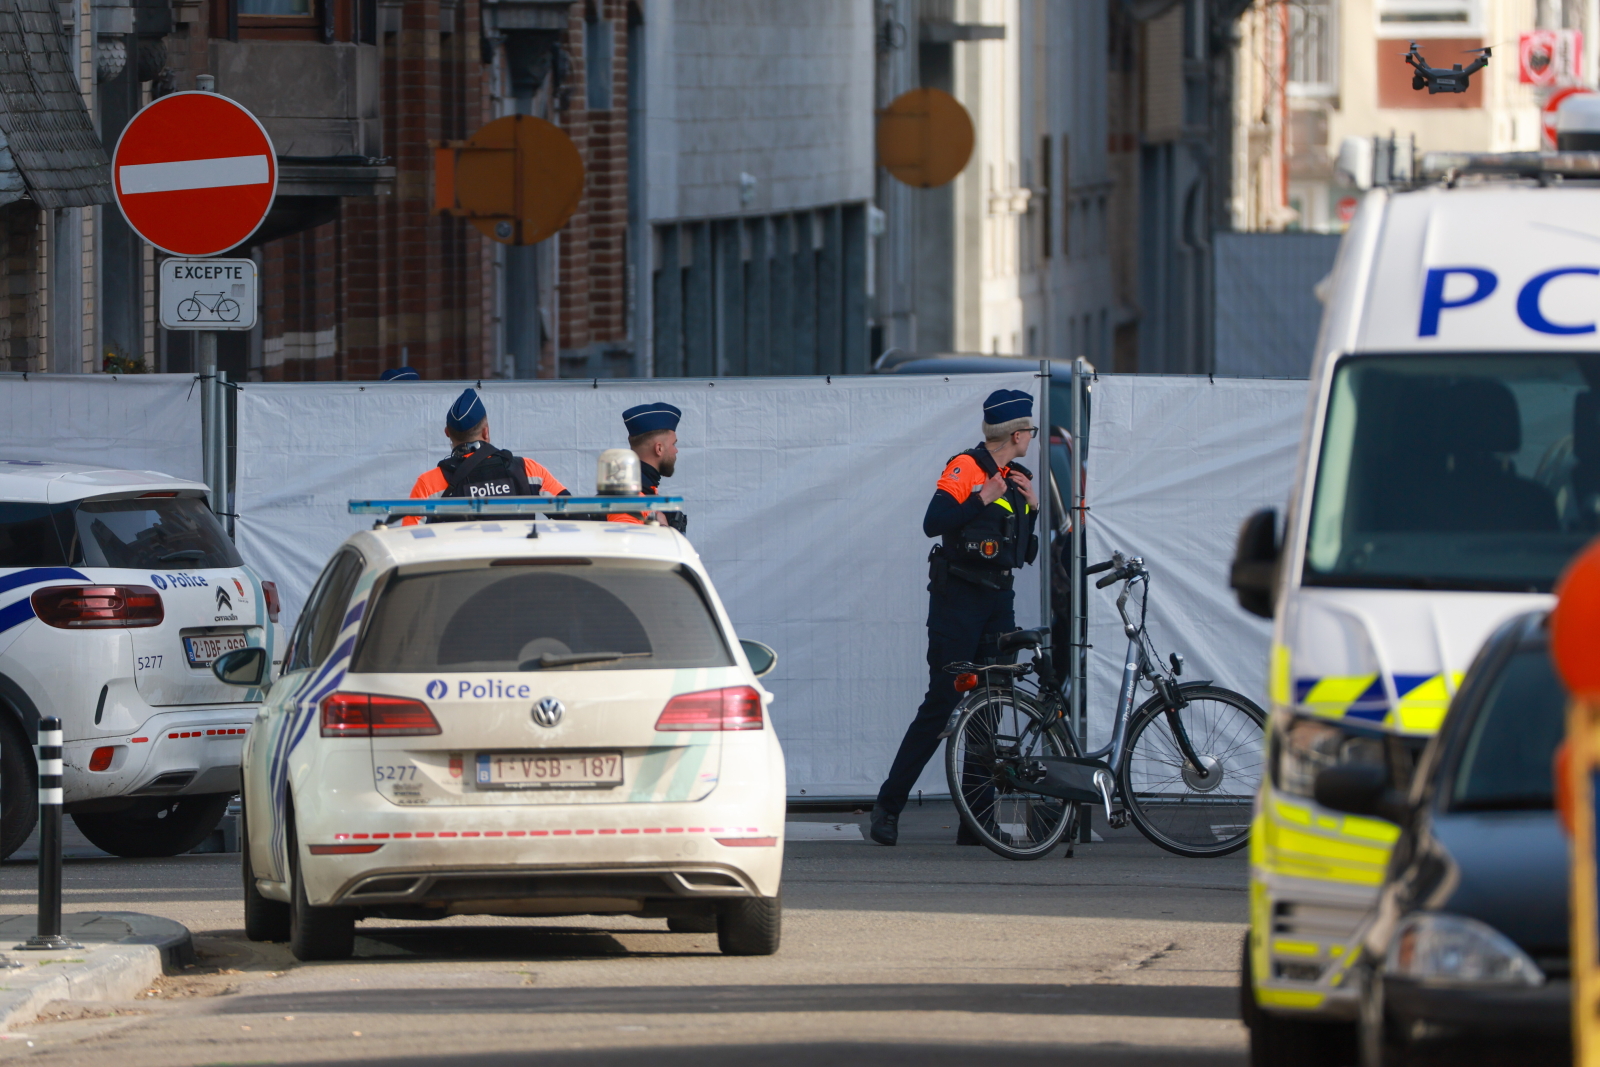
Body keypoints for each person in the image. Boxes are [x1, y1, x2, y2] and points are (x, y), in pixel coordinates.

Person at [870, 388, 1040, 846]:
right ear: (1017, 432)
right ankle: (887, 808)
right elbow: (935, 520)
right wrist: (984, 496)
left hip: (997, 602)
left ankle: (977, 821)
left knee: (990, 708)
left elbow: (1023, 553)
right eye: (1031, 431)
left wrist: (1034, 510)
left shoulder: (1016, 475)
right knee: (941, 704)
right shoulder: (966, 468)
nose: (1032, 438)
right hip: (958, 601)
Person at [404, 388, 568, 525]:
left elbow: (407, 542)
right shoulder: (528, 470)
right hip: (517, 563)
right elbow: (576, 516)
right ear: (486, 431)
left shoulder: (428, 485)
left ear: (447, 433)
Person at [611, 401, 688, 533]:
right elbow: (625, 549)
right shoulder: (629, 499)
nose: (676, 451)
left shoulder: (641, 489)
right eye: (673, 444)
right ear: (659, 448)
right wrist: (663, 530)